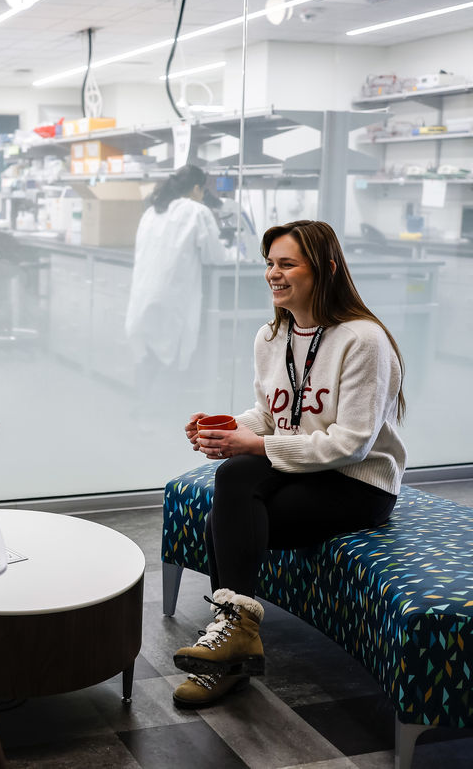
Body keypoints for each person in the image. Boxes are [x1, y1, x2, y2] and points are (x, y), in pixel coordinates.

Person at [171, 219, 406, 710]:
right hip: (300, 467)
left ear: (326, 268)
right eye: (270, 264)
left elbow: (353, 444)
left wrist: (252, 446)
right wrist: (224, 428)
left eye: (287, 264)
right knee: (229, 497)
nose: (274, 274)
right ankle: (232, 643)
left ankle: (228, 652)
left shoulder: (363, 340)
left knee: (231, 502)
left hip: (356, 484)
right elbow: (271, 416)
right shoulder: (271, 337)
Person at [124, 164, 233, 409]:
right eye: (202, 190)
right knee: (170, 356)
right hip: (171, 296)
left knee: (147, 355)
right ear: (196, 188)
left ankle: (141, 413)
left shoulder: (152, 211)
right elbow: (215, 256)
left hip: (142, 294)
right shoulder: (196, 211)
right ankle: (157, 418)